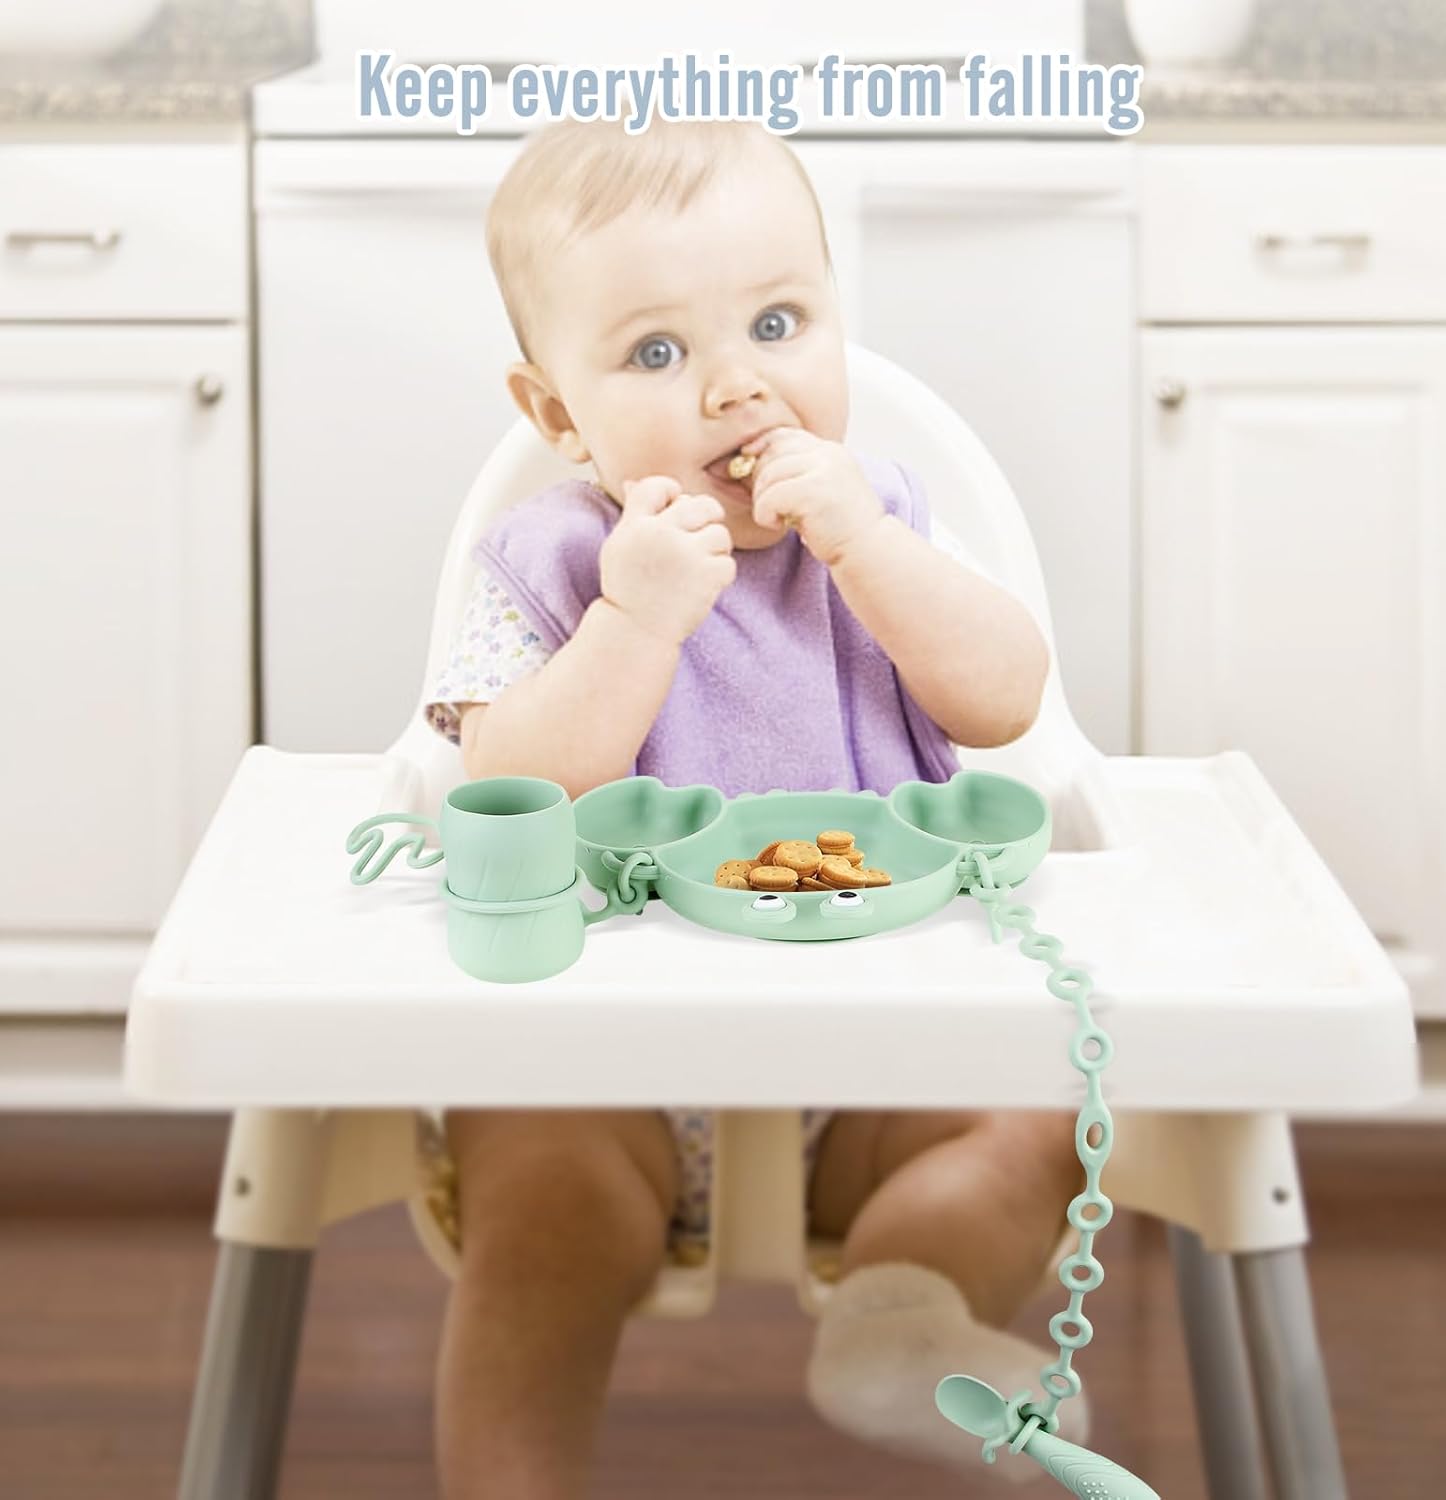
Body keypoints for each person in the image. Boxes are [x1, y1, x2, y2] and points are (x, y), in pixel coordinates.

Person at [421, 116, 1084, 1498]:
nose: (738, 387)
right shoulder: (549, 559)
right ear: (557, 415)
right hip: (609, 1069)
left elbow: (1007, 695)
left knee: (1032, 1132)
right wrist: (632, 619)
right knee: (536, 1195)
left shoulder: (881, 519)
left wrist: (872, 551)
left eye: (779, 323)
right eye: (658, 354)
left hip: (881, 1054)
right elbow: (511, 787)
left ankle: (899, 1330)